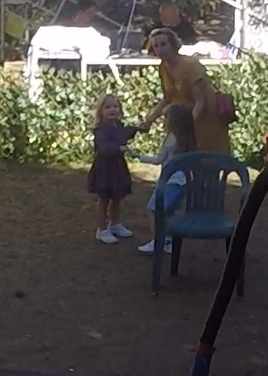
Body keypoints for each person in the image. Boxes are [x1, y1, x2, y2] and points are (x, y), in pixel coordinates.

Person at [143, 27, 227, 156]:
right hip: (180, 120)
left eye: (163, 44)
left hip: (202, 119)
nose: (160, 49)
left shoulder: (190, 65)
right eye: (156, 46)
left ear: (173, 45)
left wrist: (188, 125)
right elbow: (167, 98)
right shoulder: (163, 67)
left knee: (204, 160)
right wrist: (150, 119)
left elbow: (200, 101)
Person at [86, 93, 152, 244]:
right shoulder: (100, 129)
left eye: (115, 106)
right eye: (108, 107)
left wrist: (139, 127)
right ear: (101, 111)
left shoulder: (119, 126)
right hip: (104, 168)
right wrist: (118, 148)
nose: (112, 110)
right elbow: (103, 147)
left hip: (117, 167)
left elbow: (127, 132)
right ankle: (101, 229)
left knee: (117, 197)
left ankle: (115, 223)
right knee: (104, 198)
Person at [136, 103, 197, 255]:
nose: (163, 120)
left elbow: (159, 159)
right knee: (168, 212)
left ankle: (158, 241)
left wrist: (138, 156)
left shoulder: (171, 139)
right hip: (183, 182)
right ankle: (168, 240)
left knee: (153, 210)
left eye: (166, 117)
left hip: (170, 182)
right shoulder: (190, 140)